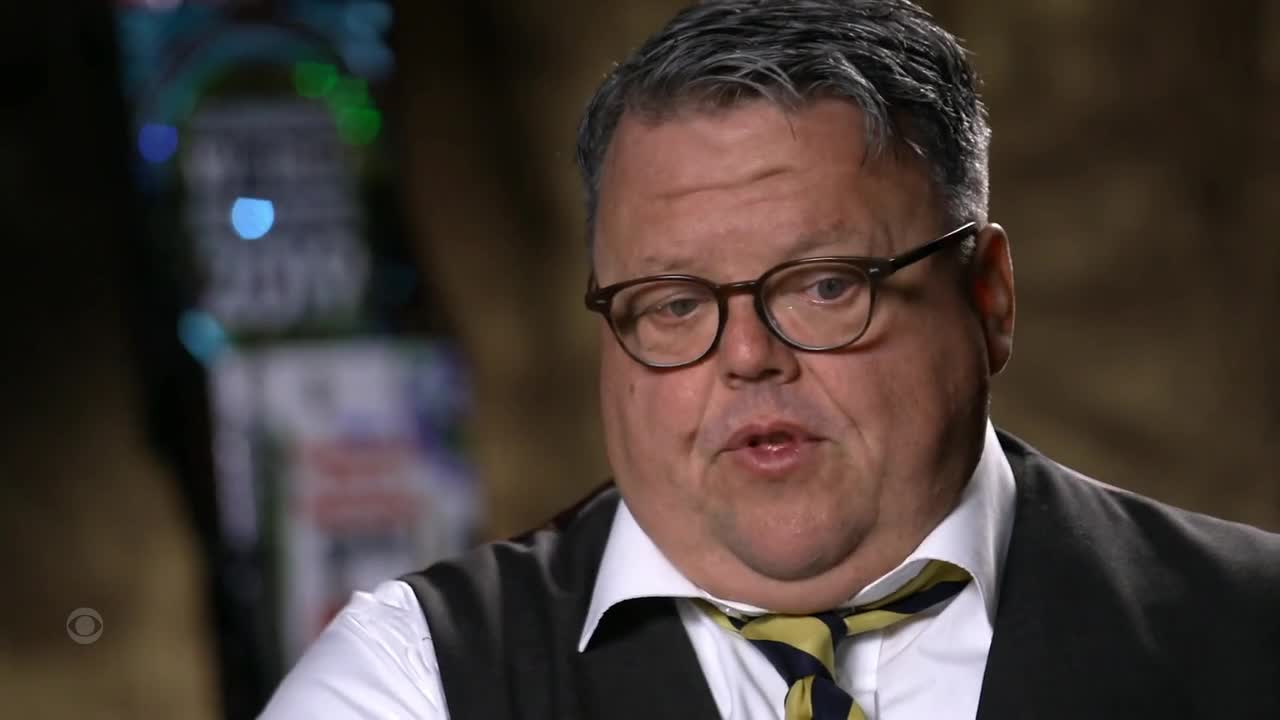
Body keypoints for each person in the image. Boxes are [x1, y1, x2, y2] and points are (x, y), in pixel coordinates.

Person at [261, 1, 1280, 718]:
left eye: (823, 286)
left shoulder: (1253, 633)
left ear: (988, 296)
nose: (747, 357)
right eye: (673, 304)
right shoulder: (413, 681)